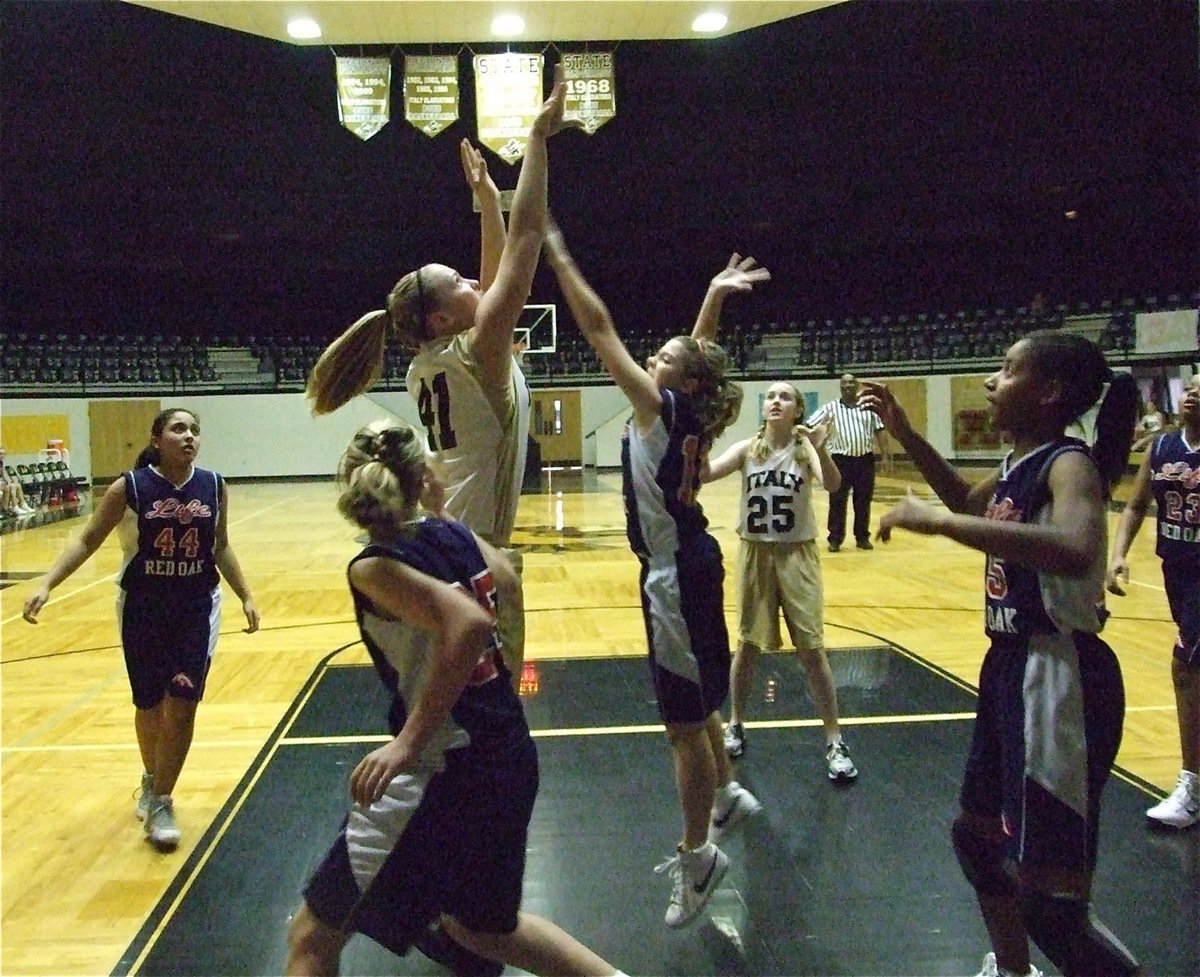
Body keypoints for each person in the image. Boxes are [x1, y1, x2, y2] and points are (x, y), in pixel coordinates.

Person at [284, 420, 624, 977]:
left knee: (312, 935)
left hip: (444, 767)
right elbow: (508, 579)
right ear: (422, 477)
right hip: (506, 748)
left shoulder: (374, 565)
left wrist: (406, 742)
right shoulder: (456, 536)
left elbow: (465, 625)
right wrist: (506, 673)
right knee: (481, 929)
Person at [860, 331, 1141, 977]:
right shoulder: (1022, 462)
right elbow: (964, 497)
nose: (991, 380)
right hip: (1010, 668)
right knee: (979, 839)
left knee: (1054, 906)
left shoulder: (1068, 462)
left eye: (1007, 369)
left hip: (1059, 675)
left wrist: (940, 525)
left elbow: (1075, 544)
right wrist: (905, 432)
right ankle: (1015, 972)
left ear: (1047, 392)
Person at [308, 67, 574, 701]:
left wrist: (486, 199)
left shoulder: (435, 360)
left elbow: (496, 267)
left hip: (448, 542)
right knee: (482, 716)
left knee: (454, 709)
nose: (472, 283)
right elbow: (528, 240)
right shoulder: (475, 351)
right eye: (458, 282)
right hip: (470, 556)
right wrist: (538, 138)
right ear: (441, 318)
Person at [542, 221, 768, 929]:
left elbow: (600, 327)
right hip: (692, 561)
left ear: (680, 378)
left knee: (680, 725)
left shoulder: (663, 405)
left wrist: (558, 250)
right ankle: (726, 791)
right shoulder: (686, 405)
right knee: (698, 696)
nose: (652, 355)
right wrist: (711, 295)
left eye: (662, 356)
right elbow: (694, 356)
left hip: (673, 574)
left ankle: (697, 854)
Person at [22, 408, 260, 849]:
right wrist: (47, 584)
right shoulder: (130, 488)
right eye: (179, 429)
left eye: (195, 430)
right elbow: (87, 538)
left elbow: (220, 546)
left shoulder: (213, 485)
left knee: (183, 703)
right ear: (157, 438)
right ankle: (152, 779)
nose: (189, 437)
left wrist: (245, 594)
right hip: (143, 607)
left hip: (195, 606)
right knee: (149, 704)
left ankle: (164, 800)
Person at [702, 381, 858, 780]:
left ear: (797, 411)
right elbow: (704, 473)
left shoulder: (805, 451)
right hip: (755, 552)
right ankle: (735, 724)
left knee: (812, 648)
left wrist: (820, 445)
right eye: (770, 396)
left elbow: (834, 484)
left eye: (785, 397)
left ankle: (835, 739)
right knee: (747, 645)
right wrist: (698, 431)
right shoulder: (746, 450)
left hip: (797, 553)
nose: (775, 401)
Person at [1106, 374, 1200, 829]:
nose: (1193, 394)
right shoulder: (1162, 449)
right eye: (1190, 387)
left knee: (1185, 665)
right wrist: (1118, 555)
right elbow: (1134, 505)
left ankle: (1192, 786)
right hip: (1178, 573)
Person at [807, 372, 889, 551]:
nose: (848, 386)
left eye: (852, 383)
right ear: (840, 386)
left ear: (857, 385)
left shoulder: (868, 408)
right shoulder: (830, 408)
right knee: (837, 500)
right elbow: (809, 426)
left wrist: (885, 456)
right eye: (845, 383)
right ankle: (835, 539)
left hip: (865, 460)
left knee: (863, 501)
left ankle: (862, 537)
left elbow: (880, 431)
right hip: (839, 461)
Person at [0, 447, 37, 516]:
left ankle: (22, 504)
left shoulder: (1, 463)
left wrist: (8, 481)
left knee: (17, 485)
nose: (2, 455)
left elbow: (3, 477)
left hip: (2, 483)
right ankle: (14, 507)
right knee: (9, 487)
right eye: (0, 454)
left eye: (3, 454)